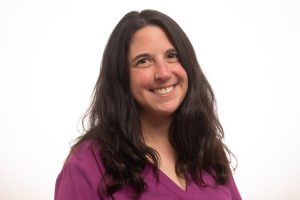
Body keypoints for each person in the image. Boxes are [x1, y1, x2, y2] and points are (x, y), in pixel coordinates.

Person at [55, 9, 242, 200]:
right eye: (144, 61)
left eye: (172, 55)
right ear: (121, 77)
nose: (163, 73)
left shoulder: (207, 149)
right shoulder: (86, 164)